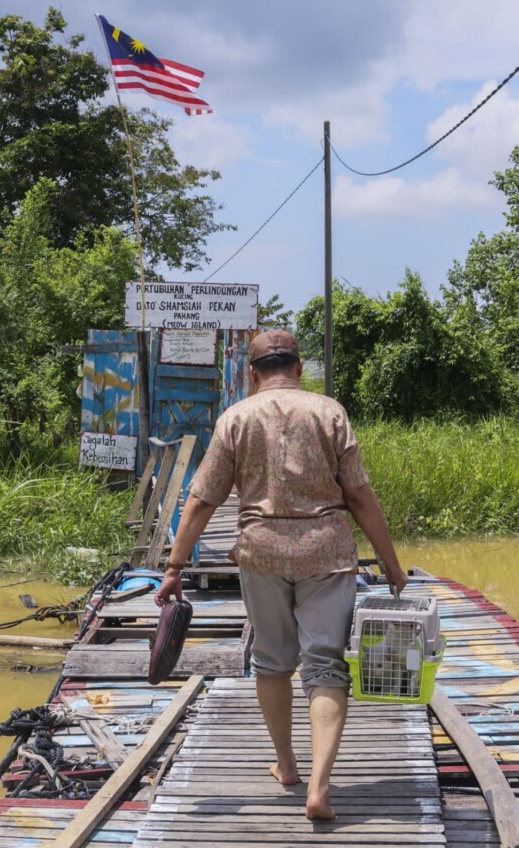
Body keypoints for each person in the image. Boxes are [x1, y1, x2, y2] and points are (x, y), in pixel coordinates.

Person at [155, 329, 408, 821]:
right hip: (326, 553)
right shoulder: (329, 412)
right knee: (326, 666)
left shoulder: (235, 419)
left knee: (271, 662)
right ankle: (319, 787)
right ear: (298, 367)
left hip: (262, 553)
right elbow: (359, 495)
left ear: (251, 373)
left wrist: (174, 567)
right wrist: (391, 563)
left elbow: (202, 500)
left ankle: (287, 766)